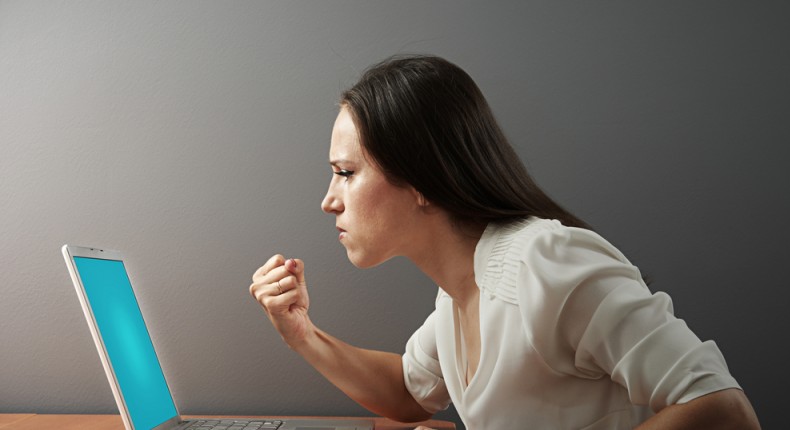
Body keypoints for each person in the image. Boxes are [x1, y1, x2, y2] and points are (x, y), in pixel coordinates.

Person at [249, 55, 761, 429]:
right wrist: (302, 333)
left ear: (422, 179)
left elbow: (722, 409)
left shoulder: (545, 262)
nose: (329, 200)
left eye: (345, 172)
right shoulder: (459, 292)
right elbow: (408, 392)